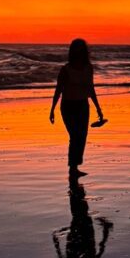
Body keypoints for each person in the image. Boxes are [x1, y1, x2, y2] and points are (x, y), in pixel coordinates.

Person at [49, 38, 105, 177]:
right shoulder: (65, 69)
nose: (79, 51)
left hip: (83, 105)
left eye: (81, 49)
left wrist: (98, 108)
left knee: (82, 136)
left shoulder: (88, 68)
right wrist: (52, 110)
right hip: (68, 106)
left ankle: (75, 166)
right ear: (72, 51)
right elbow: (58, 90)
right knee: (75, 136)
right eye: (76, 49)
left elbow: (91, 89)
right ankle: (72, 169)